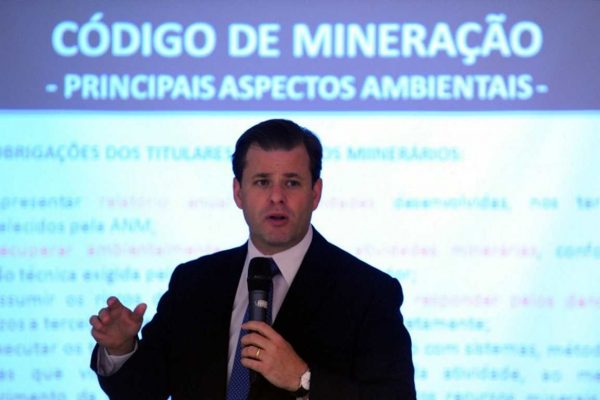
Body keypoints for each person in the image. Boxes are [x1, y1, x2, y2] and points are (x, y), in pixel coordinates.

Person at [89, 119, 416, 399]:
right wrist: (120, 349)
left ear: (315, 193)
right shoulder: (194, 283)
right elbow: (143, 390)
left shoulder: (368, 293)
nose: (277, 197)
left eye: (292, 182)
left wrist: (303, 380)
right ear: (238, 192)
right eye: (262, 182)